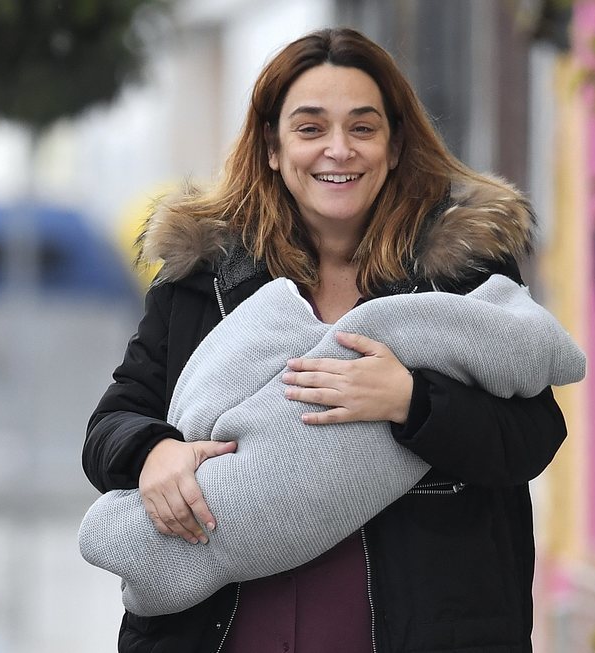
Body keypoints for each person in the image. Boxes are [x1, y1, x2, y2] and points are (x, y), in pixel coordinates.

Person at [82, 27, 567, 653]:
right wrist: (153, 453)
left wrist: (413, 403)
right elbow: (113, 421)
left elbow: (532, 437)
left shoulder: (460, 275)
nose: (338, 150)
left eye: (362, 128)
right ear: (274, 149)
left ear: (394, 146)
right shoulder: (206, 276)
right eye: (310, 128)